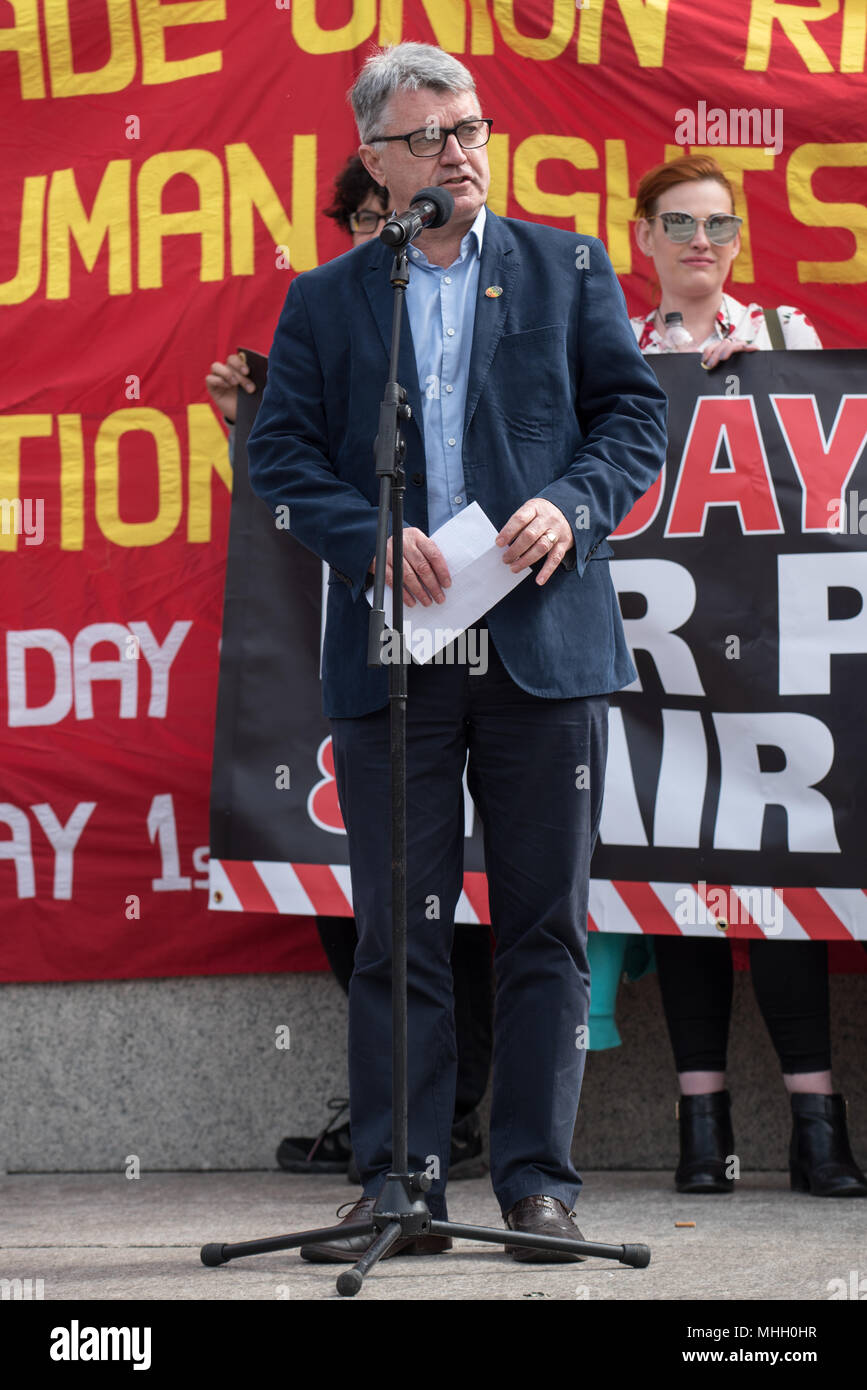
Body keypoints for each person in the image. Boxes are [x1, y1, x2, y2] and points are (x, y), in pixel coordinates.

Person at [248, 41, 667, 1263]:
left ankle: (538, 1185)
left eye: (471, 127)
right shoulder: (332, 296)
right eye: (429, 137)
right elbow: (281, 461)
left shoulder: (565, 263)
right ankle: (398, 1182)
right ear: (377, 160)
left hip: (542, 642)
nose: (458, 152)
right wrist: (368, 537)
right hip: (398, 651)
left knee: (543, 925)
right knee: (399, 927)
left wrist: (575, 505)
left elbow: (633, 416)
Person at [205, 153, 493, 1183]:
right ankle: (402, 1141)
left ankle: (479, 1125)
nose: (392, 231)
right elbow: (282, 482)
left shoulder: (494, 310)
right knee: (375, 896)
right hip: (369, 645)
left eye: (405, 213)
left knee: (512, 896)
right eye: (370, 217)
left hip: (506, 638)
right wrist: (238, 429)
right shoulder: (330, 319)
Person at [630, 153, 866, 1198]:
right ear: (643, 237)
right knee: (681, 885)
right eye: (678, 223)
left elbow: (832, 487)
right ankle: (701, 1133)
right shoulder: (616, 353)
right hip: (657, 663)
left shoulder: (788, 341)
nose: (699, 243)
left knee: (782, 885)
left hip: (777, 657)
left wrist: (751, 394)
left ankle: (818, 1134)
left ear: (739, 241)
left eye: (718, 225)